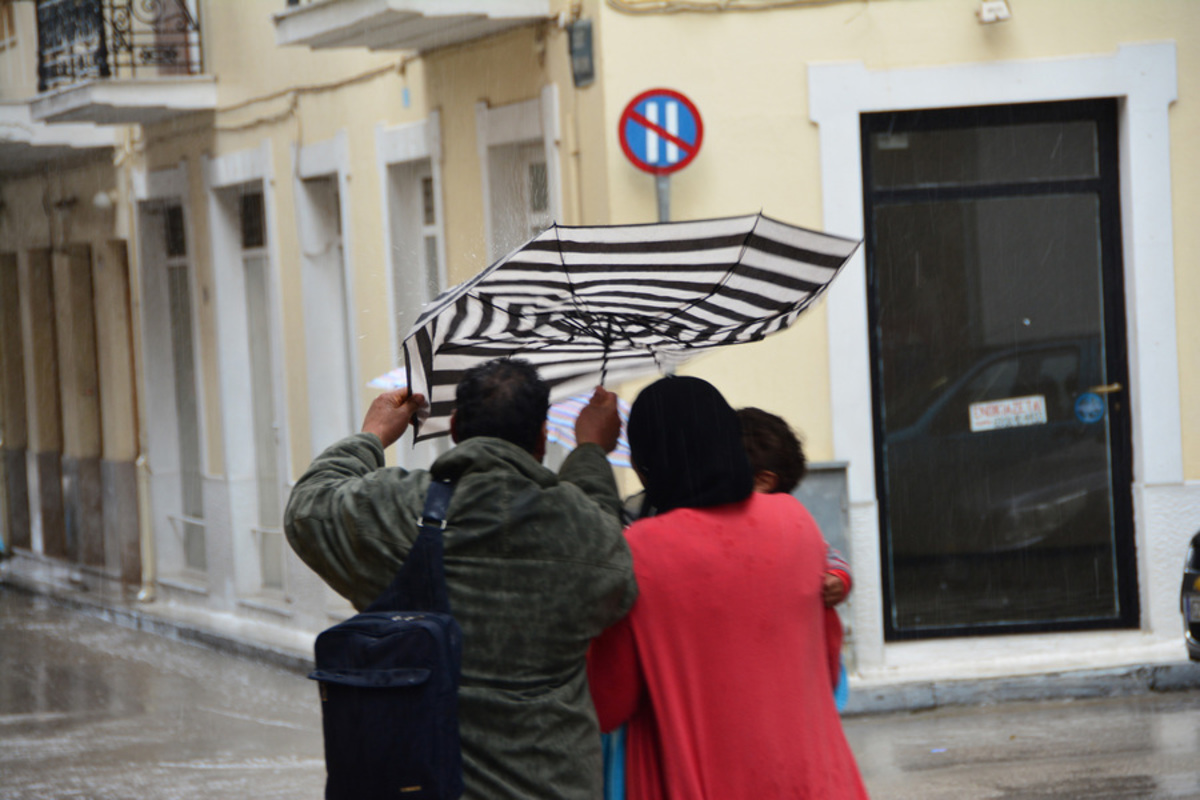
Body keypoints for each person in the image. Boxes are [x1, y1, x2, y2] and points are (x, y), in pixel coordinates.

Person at [285, 358, 638, 800]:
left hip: (419, 781)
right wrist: (589, 452)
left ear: (454, 426)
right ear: (543, 438)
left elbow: (307, 508)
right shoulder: (582, 531)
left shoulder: (398, 510)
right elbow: (610, 558)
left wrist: (371, 435)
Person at [588, 375, 869, 800]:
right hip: (814, 782)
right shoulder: (795, 521)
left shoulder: (639, 552)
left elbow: (608, 700)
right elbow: (828, 668)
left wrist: (589, 452)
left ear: (647, 466)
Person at [737, 406, 852, 694]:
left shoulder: (792, 524)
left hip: (810, 668)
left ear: (763, 481)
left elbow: (831, 556)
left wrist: (838, 578)